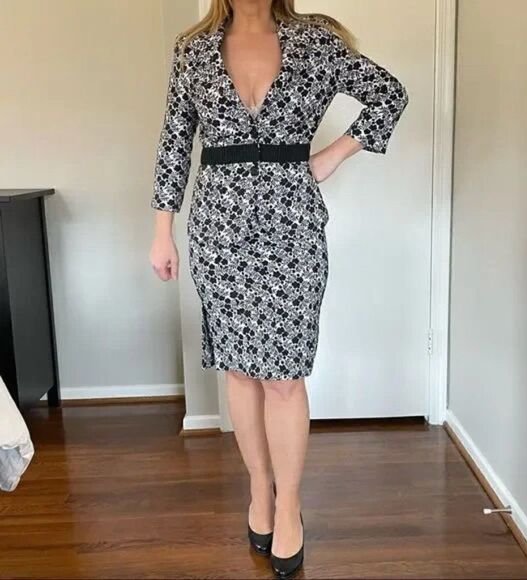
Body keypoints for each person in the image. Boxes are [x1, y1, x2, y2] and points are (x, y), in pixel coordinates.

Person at [149, 0, 408, 576]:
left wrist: (332, 156)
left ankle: (288, 505)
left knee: (284, 377)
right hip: (218, 228)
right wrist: (162, 231)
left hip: (292, 225)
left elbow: (389, 94)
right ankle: (259, 490)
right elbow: (175, 142)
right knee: (240, 370)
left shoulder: (316, 40)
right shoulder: (192, 49)